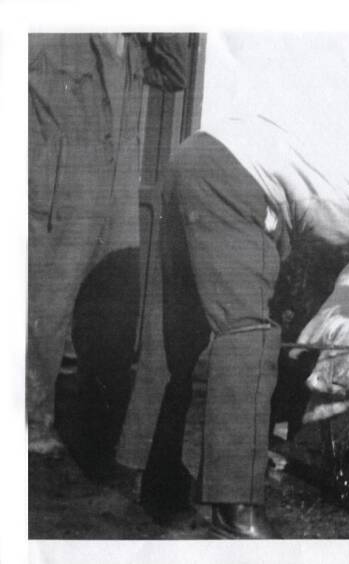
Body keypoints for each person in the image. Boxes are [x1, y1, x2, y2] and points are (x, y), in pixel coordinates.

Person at [122, 84, 349, 538]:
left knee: (176, 333)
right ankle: (234, 509)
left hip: (196, 156)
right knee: (248, 339)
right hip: (234, 187)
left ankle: (147, 471)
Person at [27, 34, 187, 456]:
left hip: (116, 202)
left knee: (112, 315)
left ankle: (94, 423)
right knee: (45, 312)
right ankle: (29, 421)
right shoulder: (53, 32)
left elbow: (176, 74)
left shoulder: (132, 44)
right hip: (65, 195)